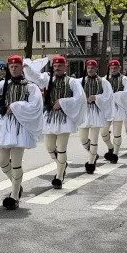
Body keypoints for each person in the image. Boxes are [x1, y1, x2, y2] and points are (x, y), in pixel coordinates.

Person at [0, 55, 43, 209]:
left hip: (20, 127)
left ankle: (14, 196)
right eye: (11, 66)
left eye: (16, 66)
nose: (13, 69)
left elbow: (36, 105)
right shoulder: (3, 85)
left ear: (22, 67)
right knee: (2, 161)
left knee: (16, 163)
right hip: (4, 126)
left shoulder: (31, 87)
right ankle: (16, 185)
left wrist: (16, 106)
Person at [25, 55, 84, 188]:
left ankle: (59, 176)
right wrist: (27, 68)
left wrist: (63, 102)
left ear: (65, 67)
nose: (57, 68)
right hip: (50, 118)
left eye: (59, 66)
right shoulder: (47, 79)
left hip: (64, 119)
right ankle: (62, 164)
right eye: (55, 66)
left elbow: (79, 99)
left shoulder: (72, 82)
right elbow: (36, 78)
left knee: (61, 149)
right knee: (50, 148)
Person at [78, 59, 114, 174]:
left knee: (94, 139)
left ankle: (91, 162)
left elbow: (108, 96)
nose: (90, 70)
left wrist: (96, 97)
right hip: (85, 112)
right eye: (88, 68)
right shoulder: (80, 81)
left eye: (92, 68)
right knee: (83, 139)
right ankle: (93, 154)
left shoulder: (103, 82)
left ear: (96, 69)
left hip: (97, 112)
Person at [101, 59, 127, 164]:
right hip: (107, 110)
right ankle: (110, 147)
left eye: (115, 68)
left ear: (119, 68)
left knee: (117, 133)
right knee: (103, 132)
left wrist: (117, 96)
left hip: (118, 109)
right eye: (112, 68)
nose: (113, 69)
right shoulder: (104, 79)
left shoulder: (124, 79)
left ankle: (115, 154)